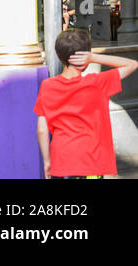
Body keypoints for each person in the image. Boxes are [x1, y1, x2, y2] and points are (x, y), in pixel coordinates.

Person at [36, 29, 138, 178]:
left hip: (61, 161)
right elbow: (132, 64)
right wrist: (93, 57)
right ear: (85, 56)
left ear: (58, 56)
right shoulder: (97, 83)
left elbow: (42, 129)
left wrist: (47, 162)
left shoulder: (47, 86)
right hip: (92, 163)